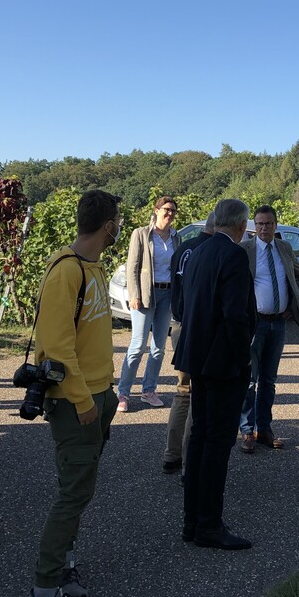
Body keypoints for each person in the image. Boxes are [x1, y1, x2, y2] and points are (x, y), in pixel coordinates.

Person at [20, 190, 122, 597]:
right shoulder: (67, 272)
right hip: (75, 401)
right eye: (116, 221)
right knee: (72, 495)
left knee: (79, 491)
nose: (117, 226)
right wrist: (83, 401)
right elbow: (56, 346)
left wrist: (107, 393)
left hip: (99, 394)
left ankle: (64, 567)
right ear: (107, 226)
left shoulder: (94, 268)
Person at [172, 198, 257, 550]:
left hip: (197, 358)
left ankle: (193, 521)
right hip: (223, 364)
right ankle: (208, 524)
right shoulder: (233, 255)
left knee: (200, 442)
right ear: (240, 226)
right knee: (217, 445)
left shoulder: (198, 251)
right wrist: (243, 361)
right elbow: (236, 317)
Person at [238, 204, 299, 452]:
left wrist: (293, 301)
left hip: (278, 323)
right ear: (253, 226)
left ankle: (264, 429)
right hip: (255, 323)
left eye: (268, 223)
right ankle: (247, 431)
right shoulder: (245, 250)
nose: (263, 228)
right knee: (249, 380)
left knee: (269, 380)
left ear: (275, 225)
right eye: (259, 224)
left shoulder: (284, 248)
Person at [162, 213, 216, 476]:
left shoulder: (183, 248)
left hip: (178, 324)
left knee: (182, 391)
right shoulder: (210, 251)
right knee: (198, 393)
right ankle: (188, 460)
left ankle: (171, 455)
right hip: (198, 328)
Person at [118, 196, 179, 410]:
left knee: (158, 348)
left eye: (173, 210)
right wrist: (133, 294)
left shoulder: (175, 237)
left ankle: (148, 390)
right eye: (166, 209)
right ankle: (123, 393)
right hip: (146, 294)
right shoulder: (142, 234)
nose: (169, 213)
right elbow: (132, 266)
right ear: (156, 210)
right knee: (137, 345)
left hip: (167, 293)